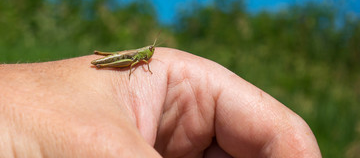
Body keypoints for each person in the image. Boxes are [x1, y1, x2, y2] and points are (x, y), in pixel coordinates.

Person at [0, 48, 321, 157]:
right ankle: (99, 59)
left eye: (150, 53)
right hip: (116, 59)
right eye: (149, 52)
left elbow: (142, 63)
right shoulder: (139, 57)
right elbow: (133, 62)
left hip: (125, 59)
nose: (149, 55)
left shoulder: (146, 58)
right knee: (110, 60)